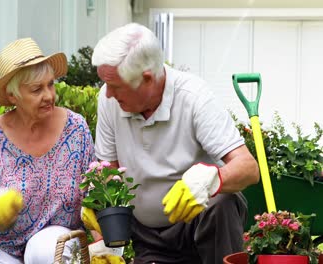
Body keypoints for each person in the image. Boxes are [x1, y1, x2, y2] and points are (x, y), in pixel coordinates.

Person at [86, 23, 260, 263]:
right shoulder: (109, 101)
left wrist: (212, 181)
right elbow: (108, 172)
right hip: (145, 236)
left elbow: (248, 169)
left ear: (146, 78)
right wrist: (101, 234)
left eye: (115, 86)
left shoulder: (194, 97)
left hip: (198, 228)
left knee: (223, 201)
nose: (108, 94)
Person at [0, 38, 95, 264]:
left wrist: (104, 248)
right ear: (13, 96)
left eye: (51, 84)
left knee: (50, 247)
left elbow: (92, 193)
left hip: (55, 245)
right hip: (0, 248)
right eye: (37, 89)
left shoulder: (76, 129)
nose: (49, 95)